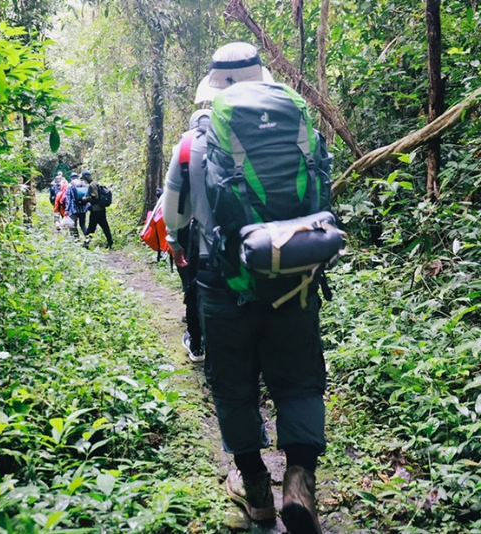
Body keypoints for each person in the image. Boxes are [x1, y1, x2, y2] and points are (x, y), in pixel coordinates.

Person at [193, 42, 328, 534]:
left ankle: (255, 487)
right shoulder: (299, 126)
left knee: (232, 384)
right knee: (298, 379)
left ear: (217, 87)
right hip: (295, 276)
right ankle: (298, 481)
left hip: (224, 284)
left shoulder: (196, 139)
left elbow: (176, 216)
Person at [161, 109, 211, 364]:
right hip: (247, 241)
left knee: (194, 291)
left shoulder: (186, 149)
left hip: (200, 241)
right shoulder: (237, 143)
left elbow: (173, 211)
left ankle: (197, 344)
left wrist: (174, 243)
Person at [80, 170, 113, 249]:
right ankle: (110, 242)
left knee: (91, 227)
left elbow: (95, 197)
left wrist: (86, 199)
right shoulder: (95, 183)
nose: (84, 180)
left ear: (87, 177)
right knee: (104, 226)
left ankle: (86, 244)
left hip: (96, 210)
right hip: (101, 209)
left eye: (85, 178)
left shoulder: (92, 185)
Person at [65, 172, 89, 239]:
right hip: (83, 209)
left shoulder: (70, 185)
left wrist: (66, 210)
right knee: (83, 225)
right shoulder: (84, 184)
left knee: (73, 225)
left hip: (73, 210)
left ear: (71, 178)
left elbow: (68, 199)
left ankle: (76, 240)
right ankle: (87, 239)